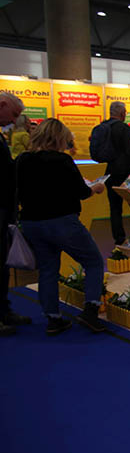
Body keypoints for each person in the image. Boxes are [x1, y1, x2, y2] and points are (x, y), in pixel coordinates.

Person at [16, 119, 107, 335]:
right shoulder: (62, 161)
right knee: (93, 261)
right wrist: (96, 188)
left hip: (31, 223)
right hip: (62, 221)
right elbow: (81, 192)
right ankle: (90, 311)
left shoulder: (22, 160)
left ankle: (53, 318)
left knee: (48, 269)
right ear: (59, 138)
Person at [0, 92, 32, 336]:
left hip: (5, 208)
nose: (14, 120)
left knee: (3, 262)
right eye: (13, 115)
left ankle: (4, 310)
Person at [102, 101, 130, 245]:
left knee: (115, 209)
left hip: (109, 174)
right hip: (126, 175)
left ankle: (119, 239)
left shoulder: (104, 127)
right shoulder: (124, 128)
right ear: (122, 113)